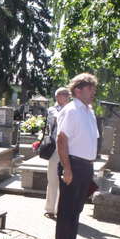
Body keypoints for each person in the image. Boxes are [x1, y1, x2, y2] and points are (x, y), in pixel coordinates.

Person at [55, 73, 99, 239]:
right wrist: (67, 168)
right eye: (90, 89)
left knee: (76, 208)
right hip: (72, 164)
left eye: (94, 89)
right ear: (78, 90)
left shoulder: (89, 111)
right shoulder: (72, 110)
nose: (93, 92)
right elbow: (61, 140)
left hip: (85, 166)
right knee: (67, 208)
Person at [44, 87, 71, 219]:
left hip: (70, 149)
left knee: (66, 181)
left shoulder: (71, 109)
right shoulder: (52, 109)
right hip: (55, 148)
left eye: (68, 94)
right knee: (53, 179)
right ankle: (50, 209)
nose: (68, 96)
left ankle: (62, 209)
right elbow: (57, 119)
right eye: (65, 94)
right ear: (58, 97)